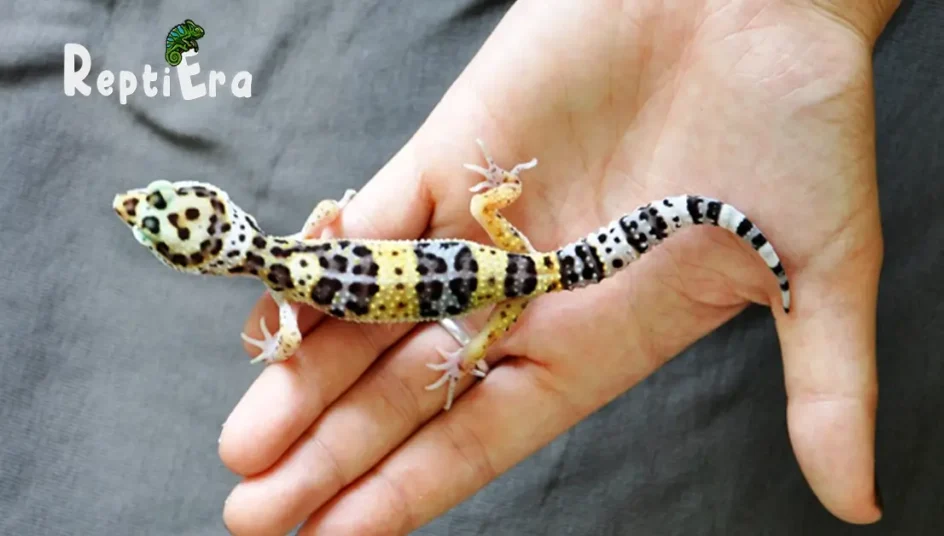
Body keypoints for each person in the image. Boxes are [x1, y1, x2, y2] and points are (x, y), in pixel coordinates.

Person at [218, 1, 900, 533]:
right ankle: (522, 213)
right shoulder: (300, 246)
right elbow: (324, 215)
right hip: (509, 257)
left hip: (513, 275)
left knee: (472, 352)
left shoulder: (287, 290)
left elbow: (288, 337)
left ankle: (708, 219)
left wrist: (466, 357)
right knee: (486, 242)